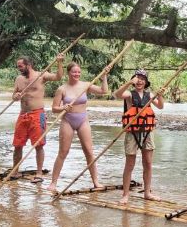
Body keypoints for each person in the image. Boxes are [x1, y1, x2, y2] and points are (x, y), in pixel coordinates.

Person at [46, 62, 109, 192]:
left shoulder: (85, 85)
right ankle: (53, 182)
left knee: (89, 151)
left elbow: (104, 91)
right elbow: (54, 109)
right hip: (67, 121)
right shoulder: (62, 89)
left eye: (78, 72)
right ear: (68, 73)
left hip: (82, 120)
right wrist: (63, 107)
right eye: (74, 72)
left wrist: (104, 78)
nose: (77, 74)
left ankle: (96, 181)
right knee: (63, 152)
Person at [9, 54, 64, 181]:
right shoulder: (19, 79)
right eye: (18, 67)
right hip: (23, 114)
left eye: (21, 66)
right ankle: (15, 171)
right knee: (17, 144)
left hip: (37, 114)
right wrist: (16, 96)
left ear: (28, 65)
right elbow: (14, 96)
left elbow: (58, 77)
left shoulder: (41, 75)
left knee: (38, 145)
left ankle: (39, 173)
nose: (19, 69)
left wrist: (59, 63)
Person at [113, 69, 164, 204]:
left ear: (146, 82)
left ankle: (147, 193)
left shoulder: (149, 95)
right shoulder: (130, 94)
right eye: (137, 78)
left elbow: (160, 106)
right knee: (130, 164)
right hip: (132, 132)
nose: (140, 80)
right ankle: (125, 195)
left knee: (147, 163)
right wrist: (128, 82)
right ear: (134, 80)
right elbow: (117, 94)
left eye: (142, 78)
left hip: (147, 132)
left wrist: (160, 96)